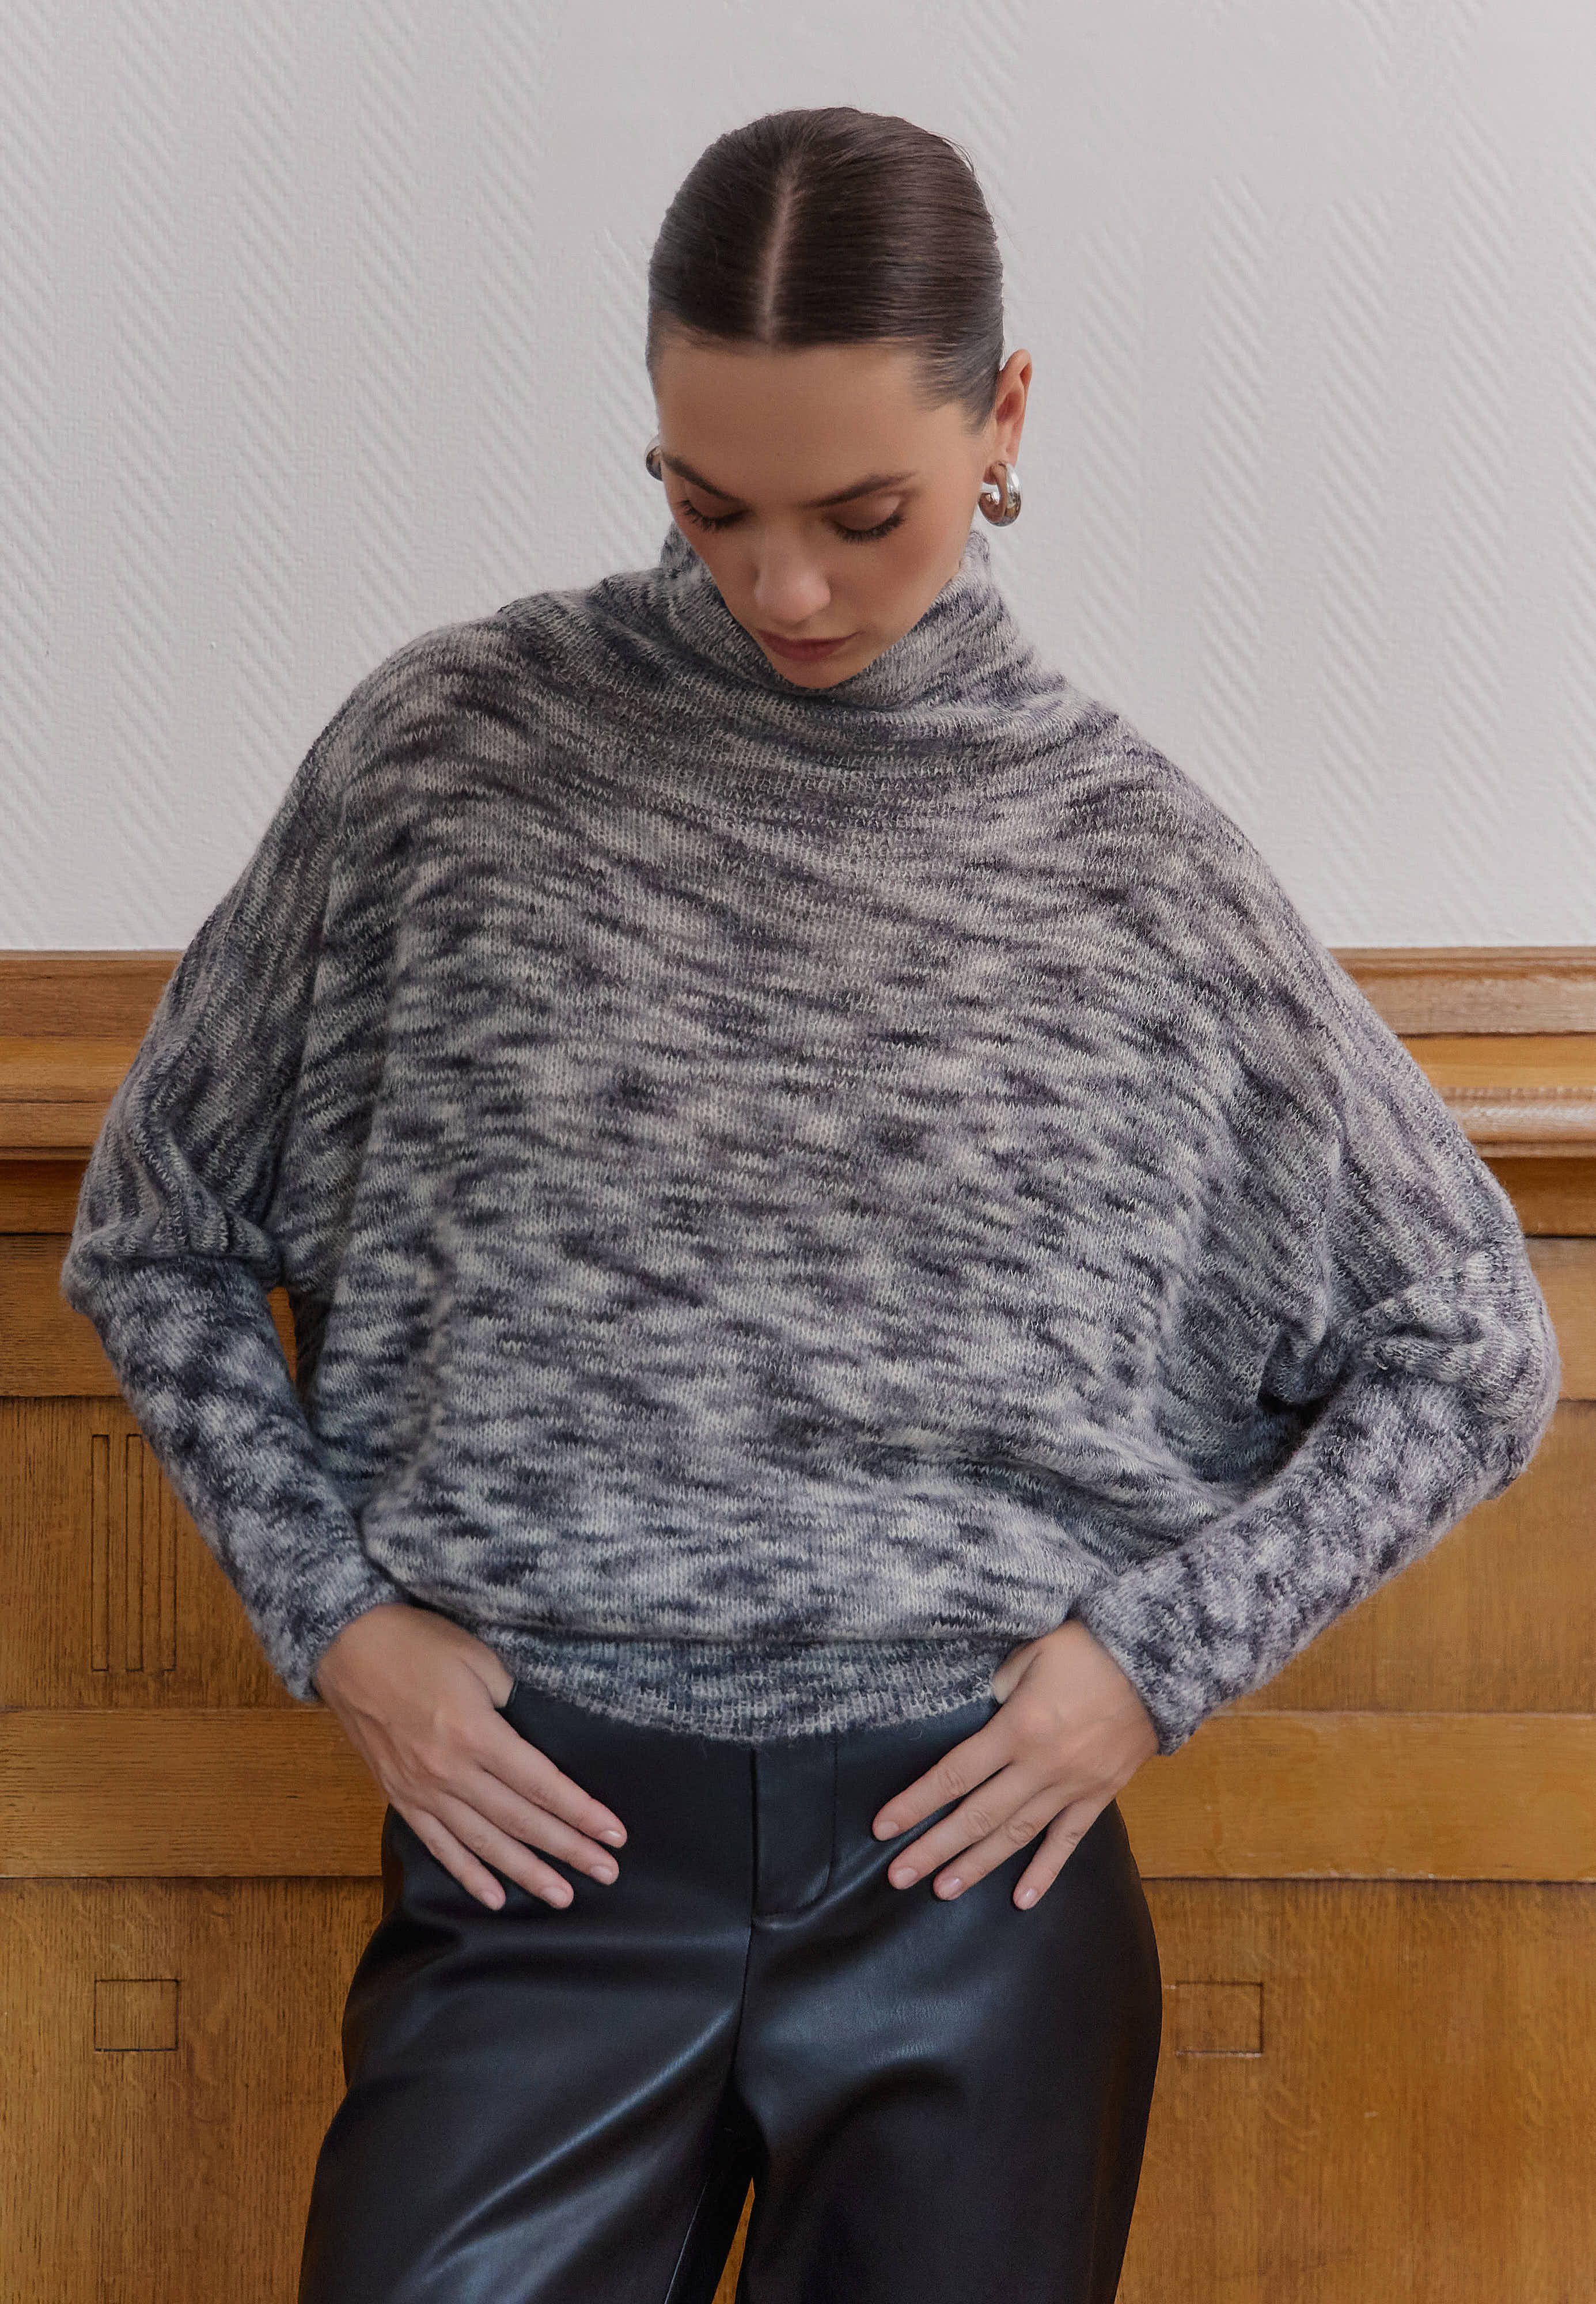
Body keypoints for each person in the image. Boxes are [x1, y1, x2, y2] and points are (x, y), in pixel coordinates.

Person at [60, 105, 1561, 2304]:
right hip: (537, 1860)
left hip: (969, 1883)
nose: (783, 588)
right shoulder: (450, 759)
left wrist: (1146, 1669)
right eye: (706, 503)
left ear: (1003, 419)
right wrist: (337, 1624)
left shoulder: (1130, 862)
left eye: (864, 515)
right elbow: (159, 1228)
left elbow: (1470, 1344)